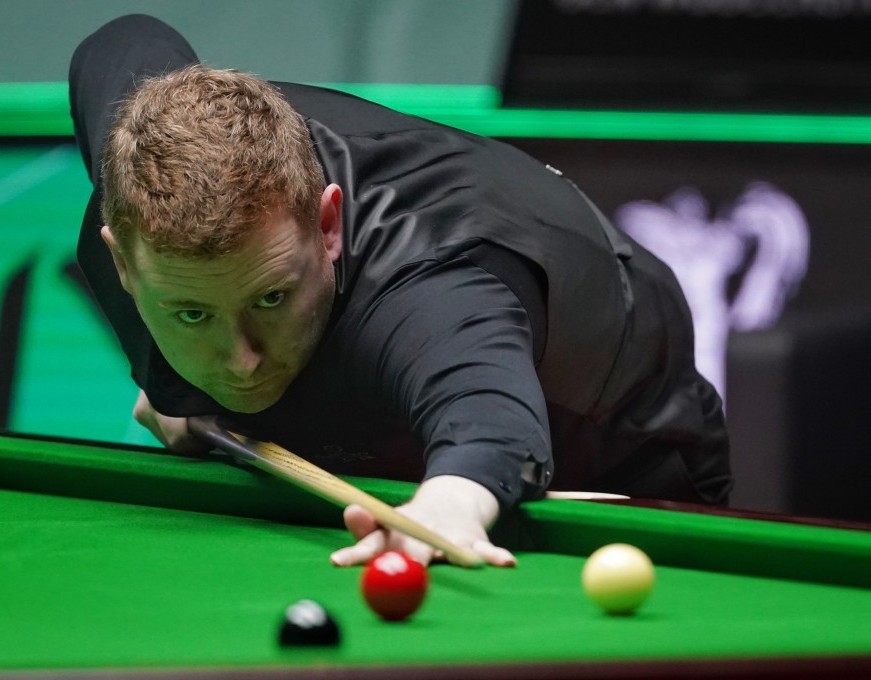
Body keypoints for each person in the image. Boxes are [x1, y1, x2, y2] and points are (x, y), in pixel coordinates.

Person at [68, 15, 732, 569]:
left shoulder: (426, 277)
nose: (240, 360)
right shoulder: (138, 164)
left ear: (328, 225)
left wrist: (449, 503)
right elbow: (122, 38)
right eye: (191, 313)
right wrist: (177, 381)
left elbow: (488, 419)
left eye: (270, 298)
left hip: (615, 438)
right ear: (122, 260)